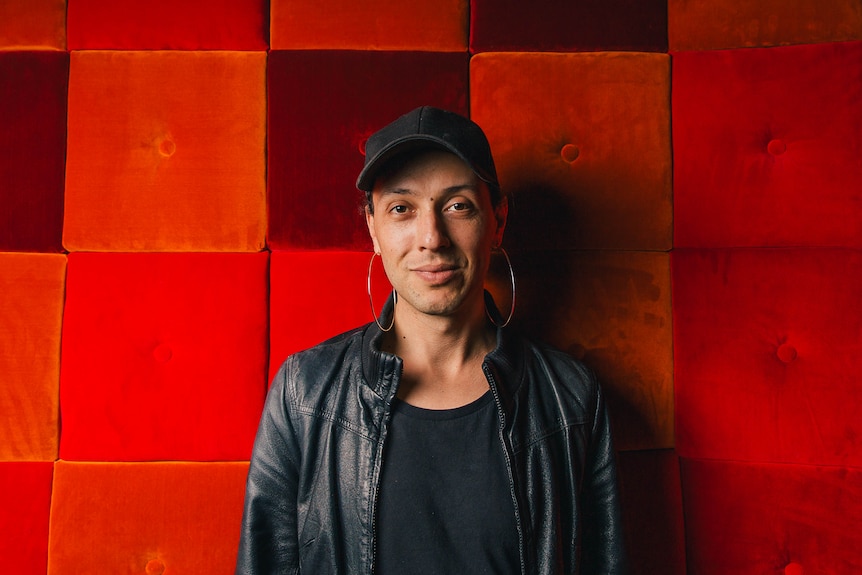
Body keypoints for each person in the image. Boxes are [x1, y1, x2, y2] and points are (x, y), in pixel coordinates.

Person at [236, 106, 627, 574]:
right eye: (402, 209)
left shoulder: (570, 397)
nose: (432, 238)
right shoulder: (305, 392)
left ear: (497, 220)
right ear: (373, 229)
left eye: (458, 205)